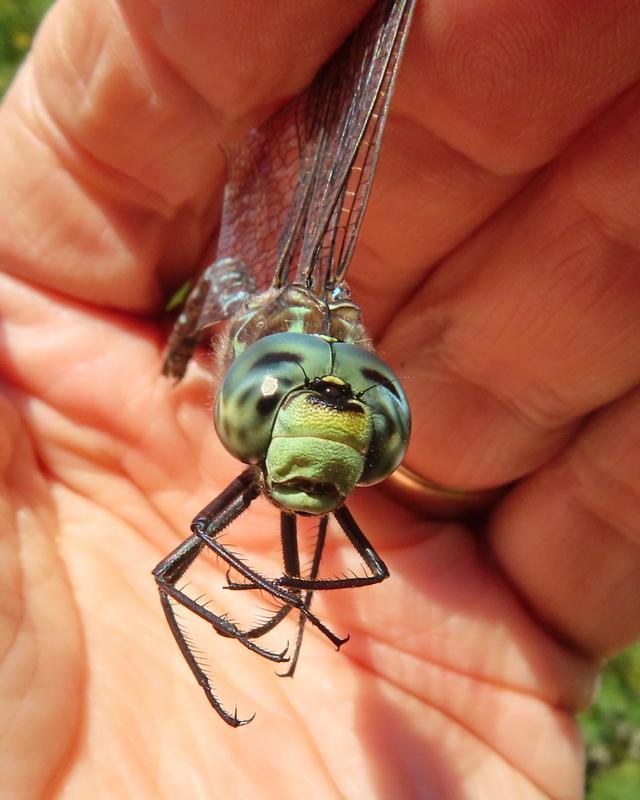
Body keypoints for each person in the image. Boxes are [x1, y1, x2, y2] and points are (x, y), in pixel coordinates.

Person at [1, 1, 639, 797]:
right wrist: (273, 599)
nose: (331, 442)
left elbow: (356, 570)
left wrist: (285, 597)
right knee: (180, 571)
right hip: (240, 289)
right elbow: (184, 575)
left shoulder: (312, 416)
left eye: (369, 436)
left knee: (249, 568)